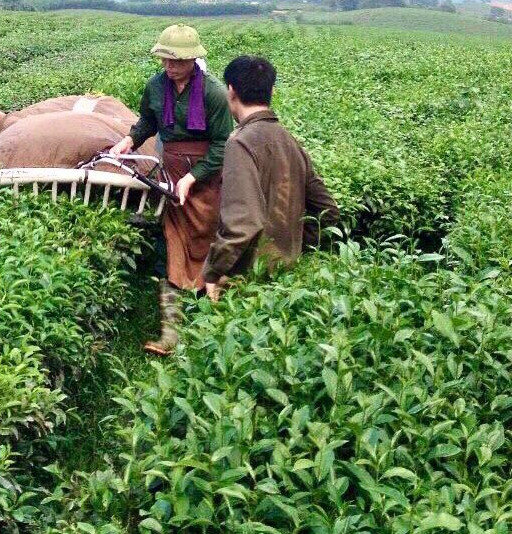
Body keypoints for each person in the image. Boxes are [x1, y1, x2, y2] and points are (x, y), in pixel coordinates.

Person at [110, 24, 233, 355]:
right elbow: (147, 123)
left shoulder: (213, 93)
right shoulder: (155, 86)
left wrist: (196, 177)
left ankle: (216, 324)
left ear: (192, 59)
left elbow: (223, 143)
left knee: (207, 241)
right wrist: (129, 139)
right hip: (172, 169)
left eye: (176, 61)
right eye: (165, 60)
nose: (169, 67)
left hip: (206, 175)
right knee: (173, 243)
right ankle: (171, 332)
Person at [201, 55, 340, 301]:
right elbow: (327, 211)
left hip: (247, 279)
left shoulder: (240, 142)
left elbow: (243, 223)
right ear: (271, 90)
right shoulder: (289, 141)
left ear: (230, 91)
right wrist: (292, 247)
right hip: (288, 278)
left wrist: (214, 271)